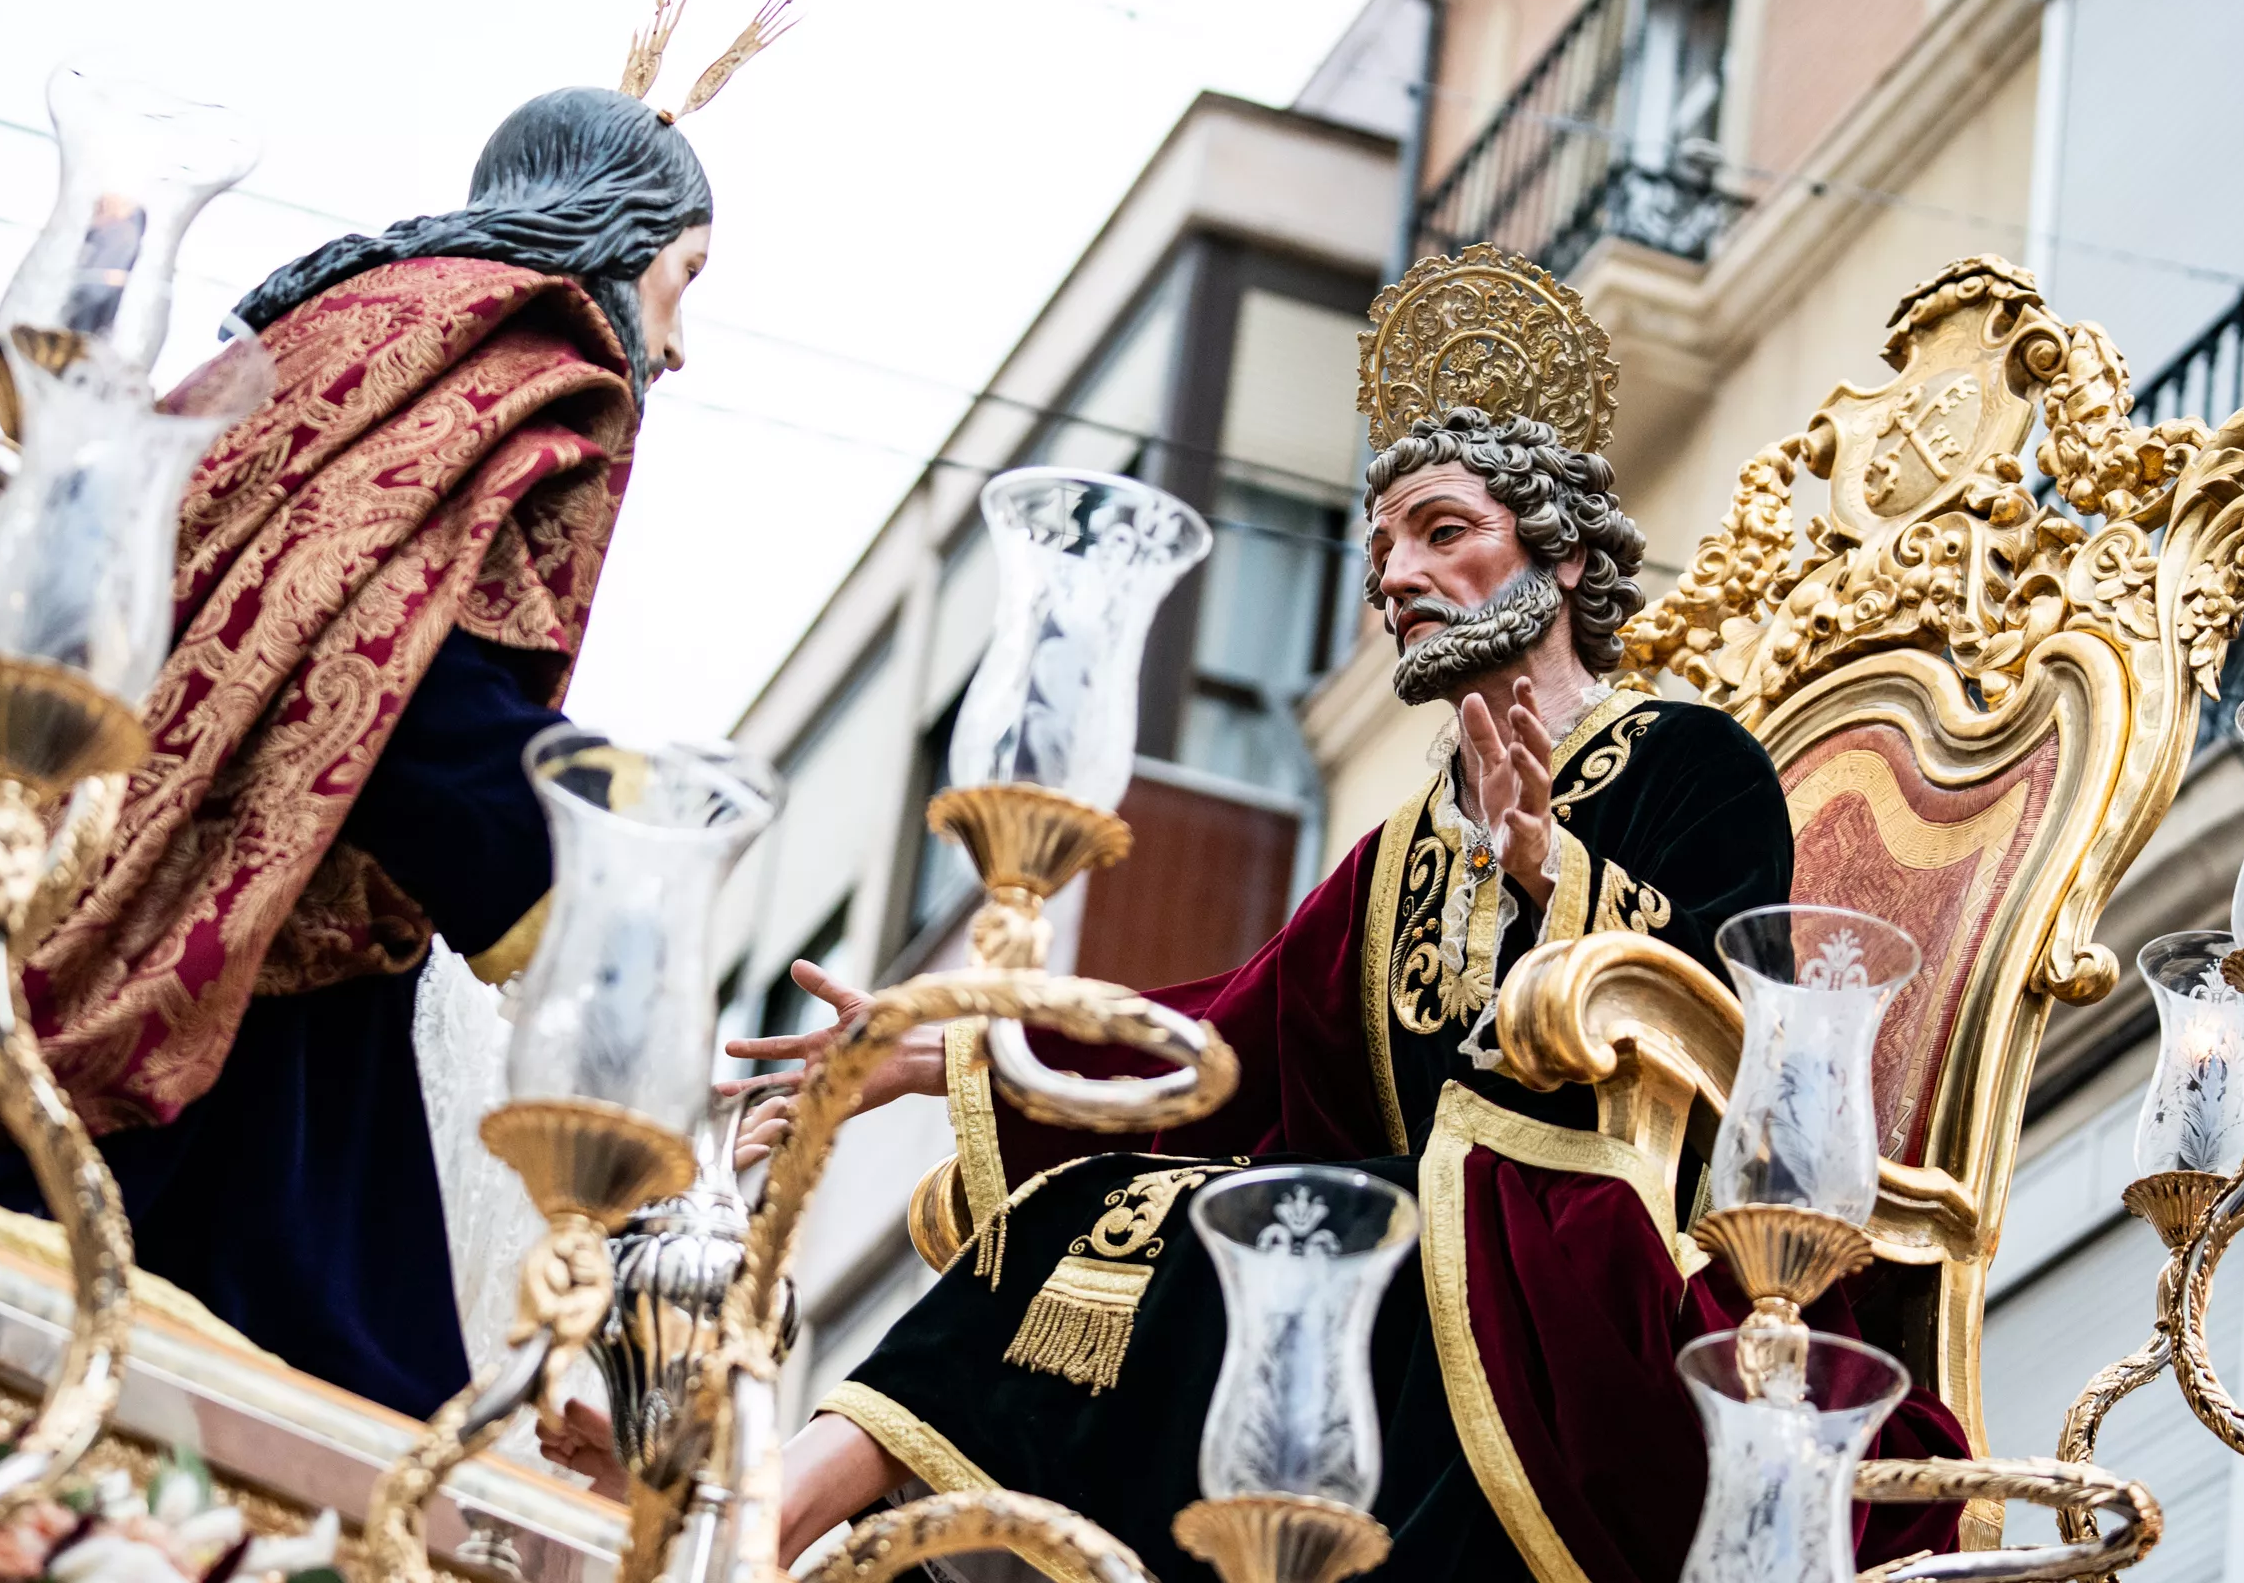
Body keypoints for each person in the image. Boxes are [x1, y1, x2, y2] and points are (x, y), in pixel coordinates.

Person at [619, 252, 1971, 1583]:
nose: (1394, 575)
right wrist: (946, 1051)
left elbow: (1740, 1035)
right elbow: (1225, 1037)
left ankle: (750, 1525)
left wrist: (1554, 875)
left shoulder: (1687, 759)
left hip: (1596, 1279)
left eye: (1443, 531)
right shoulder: (1395, 857)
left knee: (1248, 1240)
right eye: (1381, 547)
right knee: (1100, 1211)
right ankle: (765, 1529)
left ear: (1558, 563)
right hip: (1417, 1283)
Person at [0, 0, 812, 1421]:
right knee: (273, 1379)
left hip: (159, 840)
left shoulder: (347, 318)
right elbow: (403, 661)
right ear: (621, 236)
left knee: (296, 1363)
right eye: (688, 276)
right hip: (212, 920)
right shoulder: (532, 352)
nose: (679, 344)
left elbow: (327, 609)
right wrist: (607, 854)